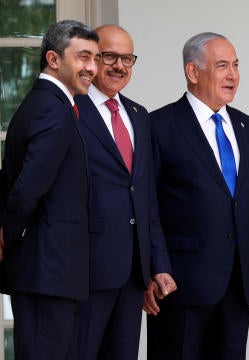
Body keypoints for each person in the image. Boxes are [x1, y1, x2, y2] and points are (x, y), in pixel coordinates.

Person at [144, 32, 249, 359]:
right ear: (193, 72)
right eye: (222, 65)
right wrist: (152, 269)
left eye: (235, 65)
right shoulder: (157, 126)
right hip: (178, 285)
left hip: (238, 284)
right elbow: (147, 206)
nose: (233, 75)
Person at [74, 24, 176, 359]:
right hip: (85, 271)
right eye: (110, 56)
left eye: (128, 59)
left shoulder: (139, 115)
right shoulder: (71, 109)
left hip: (133, 275)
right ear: (91, 59)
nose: (120, 65)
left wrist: (157, 264)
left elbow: (147, 198)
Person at [0, 20, 100, 359]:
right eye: (83, 57)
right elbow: (26, 188)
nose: (92, 67)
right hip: (46, 273)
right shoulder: (52, 110)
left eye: (95, 58)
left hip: (50, 273)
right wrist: (6, 236)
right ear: (54, 60)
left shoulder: (48, 105)